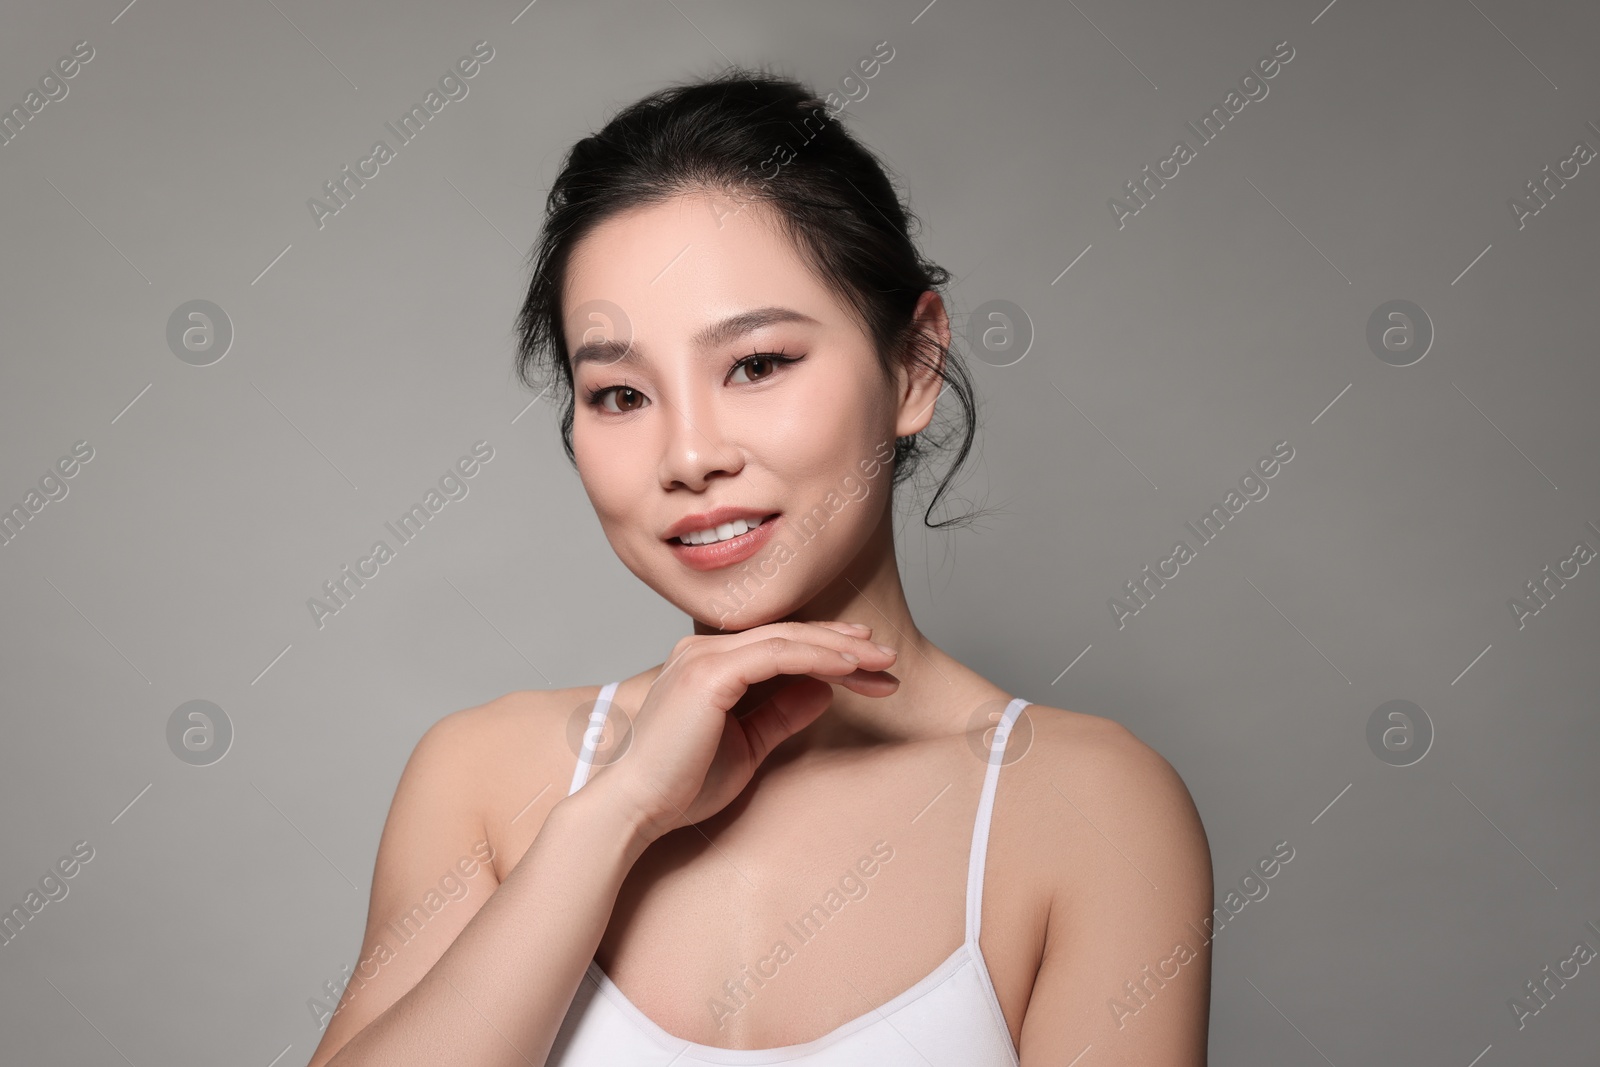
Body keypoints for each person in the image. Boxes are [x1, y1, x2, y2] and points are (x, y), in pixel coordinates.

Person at [307, 68, 1212, 1067]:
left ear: (911, 366)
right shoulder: (484, 777)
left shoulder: (1089, 808)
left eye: (756, 364)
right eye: (618, 393)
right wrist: (615, 814)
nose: (690, 455)